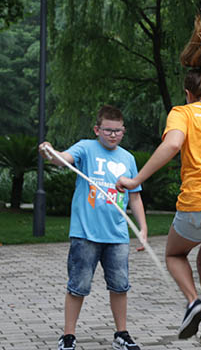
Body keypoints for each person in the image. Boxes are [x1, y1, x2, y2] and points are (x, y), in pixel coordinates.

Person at [115, 5, 201, 342]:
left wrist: (135, 180)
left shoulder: (183, 113)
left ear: (189, 93)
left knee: (175, 254)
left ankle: (193, 303)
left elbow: (173, 145)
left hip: (199, 204)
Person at [40, 105, 147, 350]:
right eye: (108, 130)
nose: (113, 135)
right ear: (97, 129)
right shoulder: (86, 148)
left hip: (117, 235)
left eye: (118, 131)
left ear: (123, 131)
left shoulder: (127, 158)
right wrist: (49, 151)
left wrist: (142, 229)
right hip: (85, 234)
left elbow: (135, 197)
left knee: (120, 286)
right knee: (78, 286)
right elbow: (62, 160)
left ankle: (122, 333)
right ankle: (68, 336)